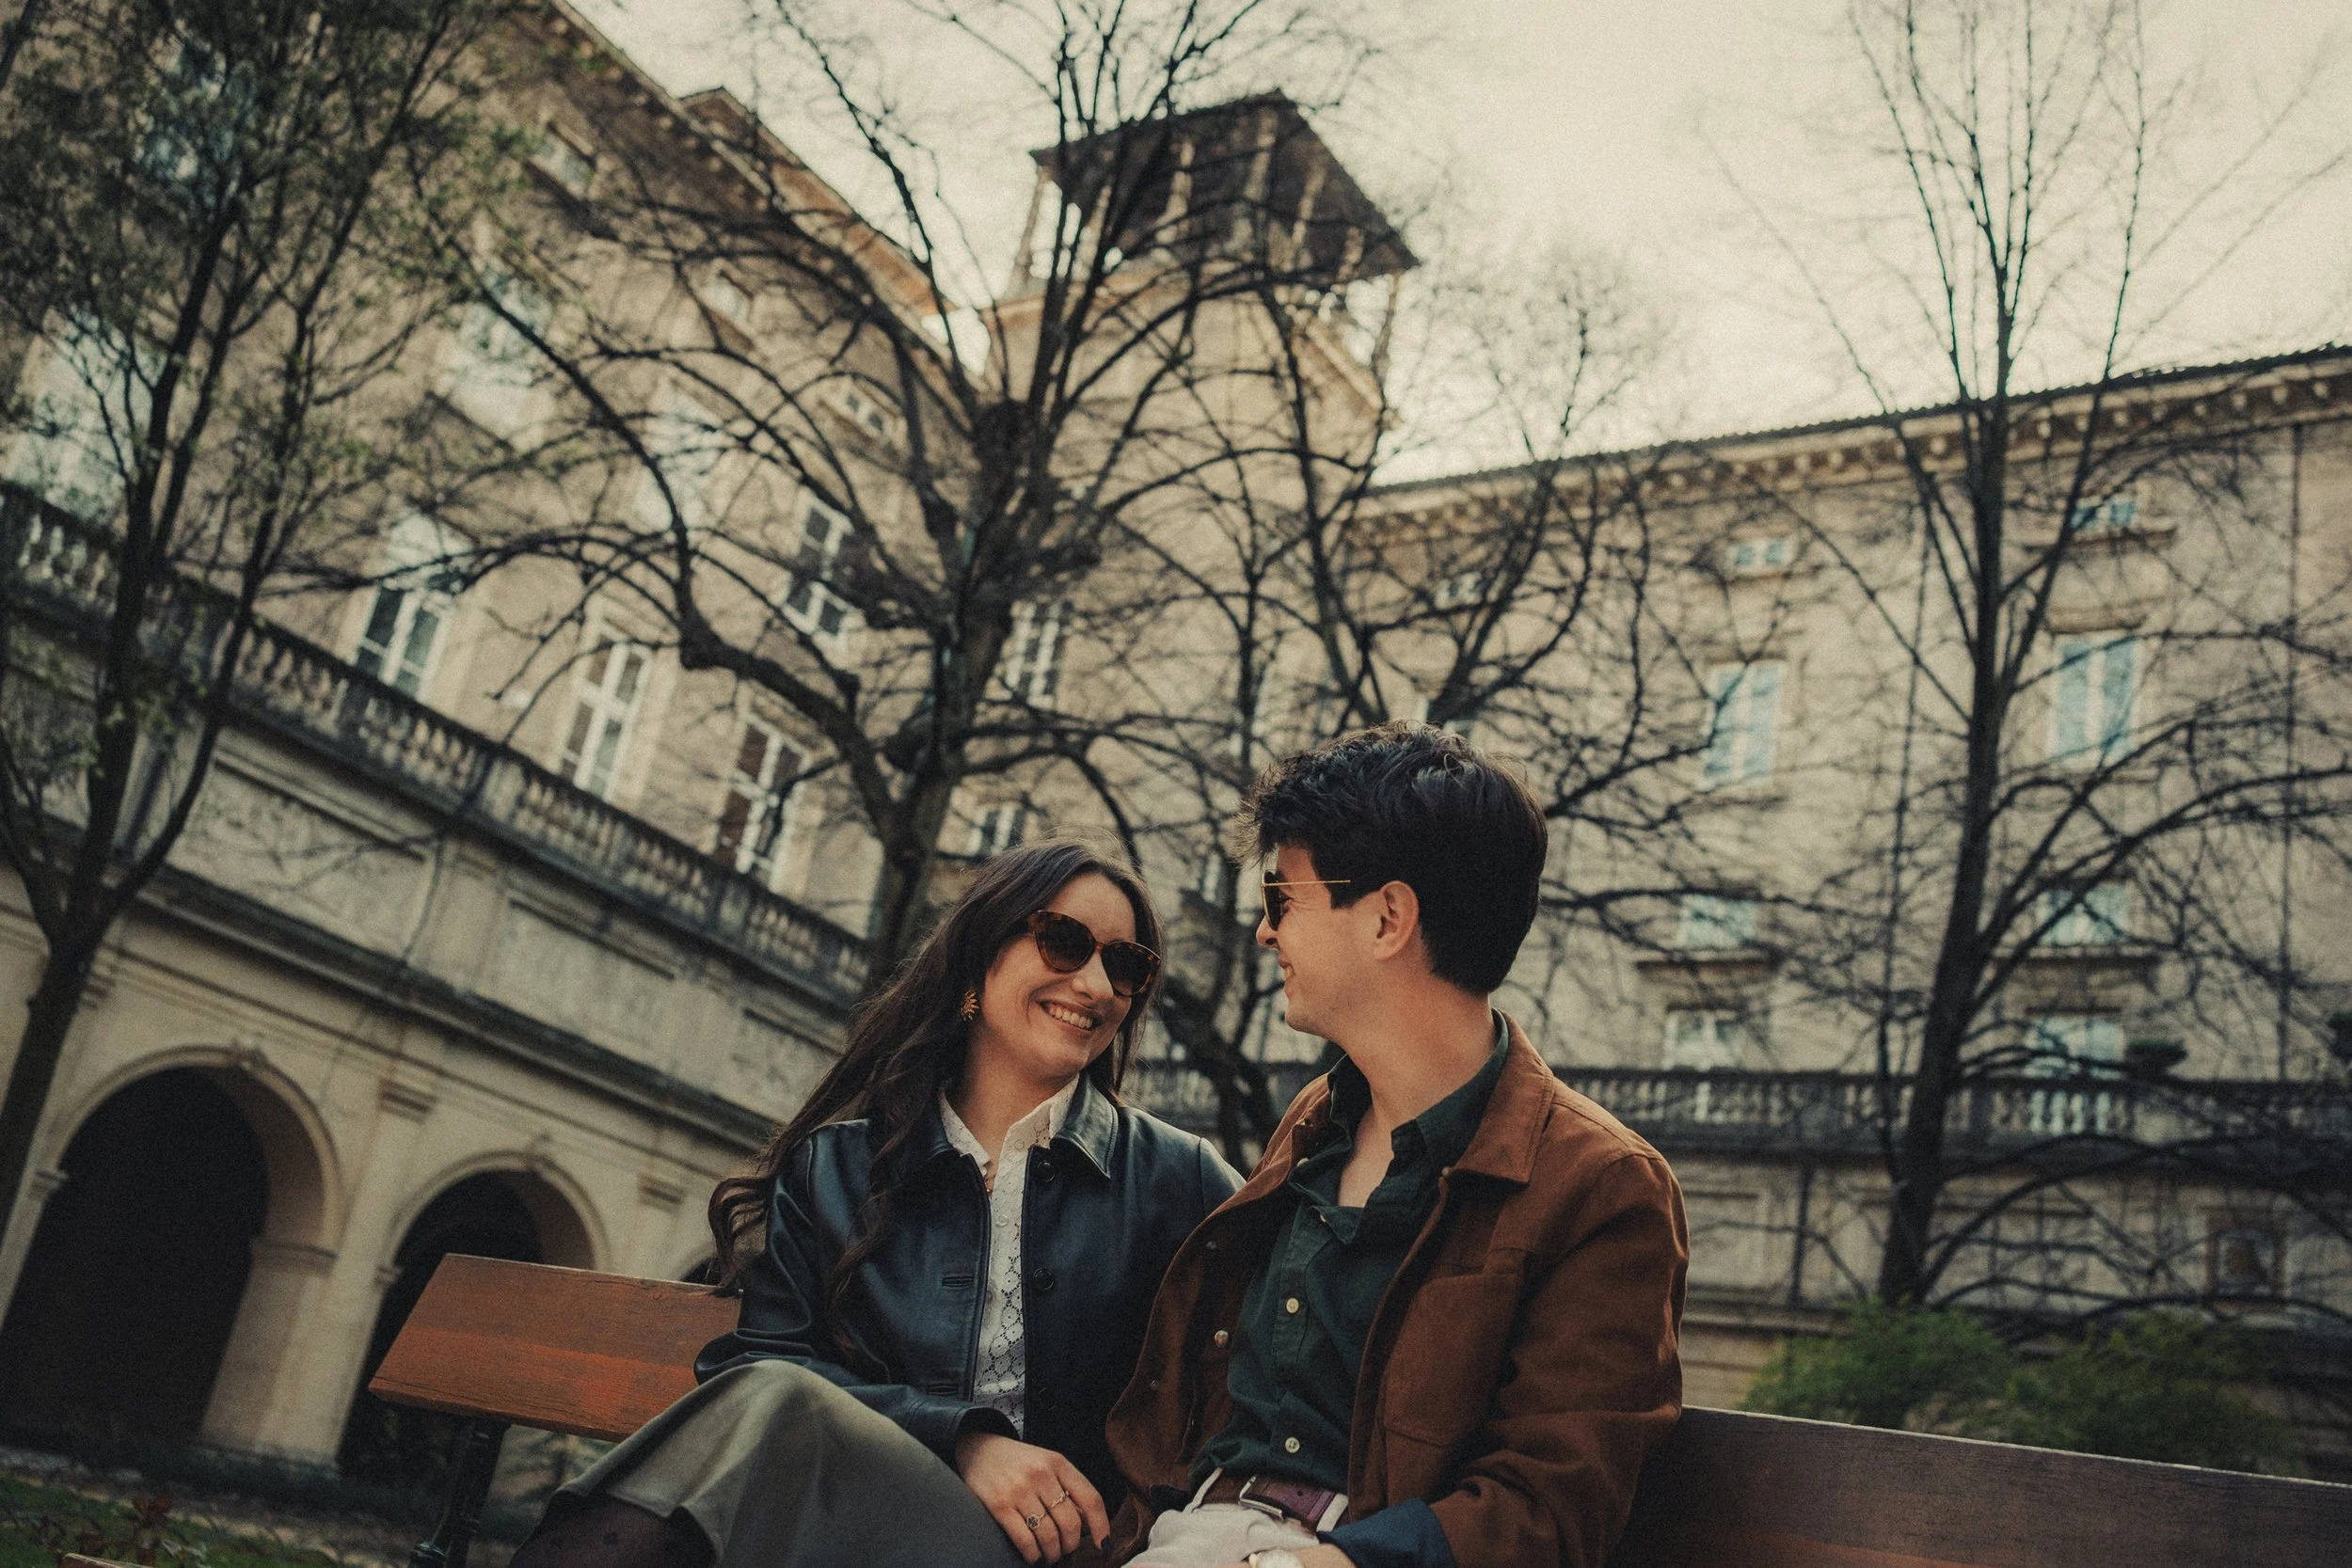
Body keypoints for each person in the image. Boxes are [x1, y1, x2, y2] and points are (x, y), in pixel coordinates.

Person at [511, 840, 1242, 1568]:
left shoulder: (1182, 1181)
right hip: (855, 1530)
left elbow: (1270, 1389)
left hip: (1061, 1555)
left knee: (778, 1402)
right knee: (774, 1398)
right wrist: (963, 1439)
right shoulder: (836, 1166)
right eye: (1064, 941)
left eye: (1126, 965)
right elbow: (762, 1364)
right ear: (980, 956)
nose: (1095, 984)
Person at [1101, 723, 1689, 1568]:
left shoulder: (1600, 1184)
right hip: (1180, 1537)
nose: (1265, 933)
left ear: (1387, 918)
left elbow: (1548, 1509)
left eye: (1281, 899)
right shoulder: (1316, 1118)